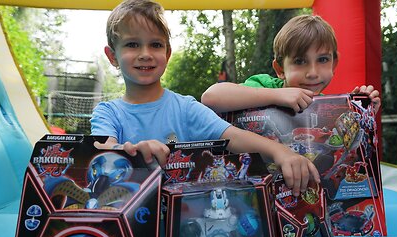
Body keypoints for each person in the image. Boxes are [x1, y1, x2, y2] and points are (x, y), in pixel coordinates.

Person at [90, 0, 319, 196]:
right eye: (132, 44)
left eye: (155, 44)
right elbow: (101, 152)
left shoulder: (186, 108)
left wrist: (282, 152)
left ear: (167, 53)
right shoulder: (108, 112)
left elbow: (234, 137)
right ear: (112, 56)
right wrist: (128, 151)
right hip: (129, 219)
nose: (145, 54)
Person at [201, 14, 381, 114]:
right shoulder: (265, 86)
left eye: (323, 60)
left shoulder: (327, 107)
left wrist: (362, 113)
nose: (312, 72)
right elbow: (211, 97)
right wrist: (277, 96)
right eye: (300, 61)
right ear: (280, 69)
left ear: (334, 64)